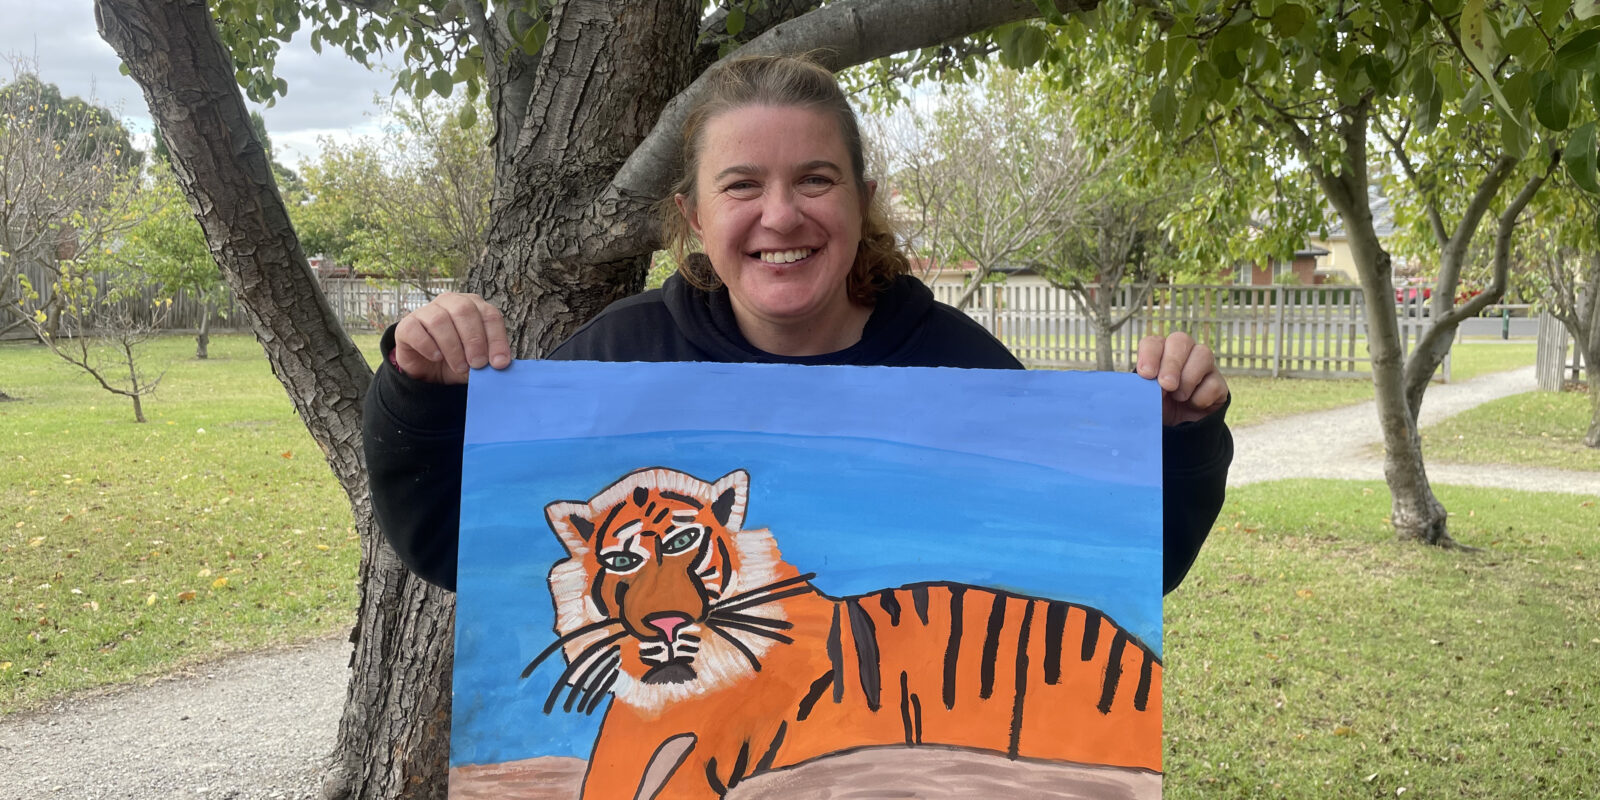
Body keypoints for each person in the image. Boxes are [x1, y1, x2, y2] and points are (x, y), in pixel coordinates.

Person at [362, 54, 1231, 597]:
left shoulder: (964, 375)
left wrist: (1181, 442)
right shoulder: (620, 359)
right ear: (694, 218)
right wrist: (421, 399)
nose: (781, 215)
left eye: (815, 180)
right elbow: (458, 550)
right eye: (742, 185)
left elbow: (1110, 574)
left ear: (863, 203)